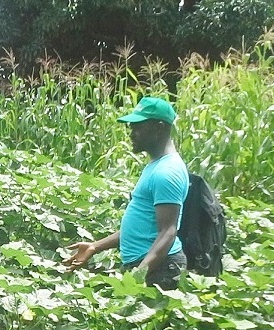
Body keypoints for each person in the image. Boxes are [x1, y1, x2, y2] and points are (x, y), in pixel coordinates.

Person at [64, 97, 189, 290]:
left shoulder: (166, 172)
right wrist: (95, 246)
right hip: (148, 267)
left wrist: (137, 276)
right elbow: (142, 228)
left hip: (159, 270)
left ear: (159, 128)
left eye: (138, 127)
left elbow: (168, 232)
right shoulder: (156, 166)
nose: (132, 134)